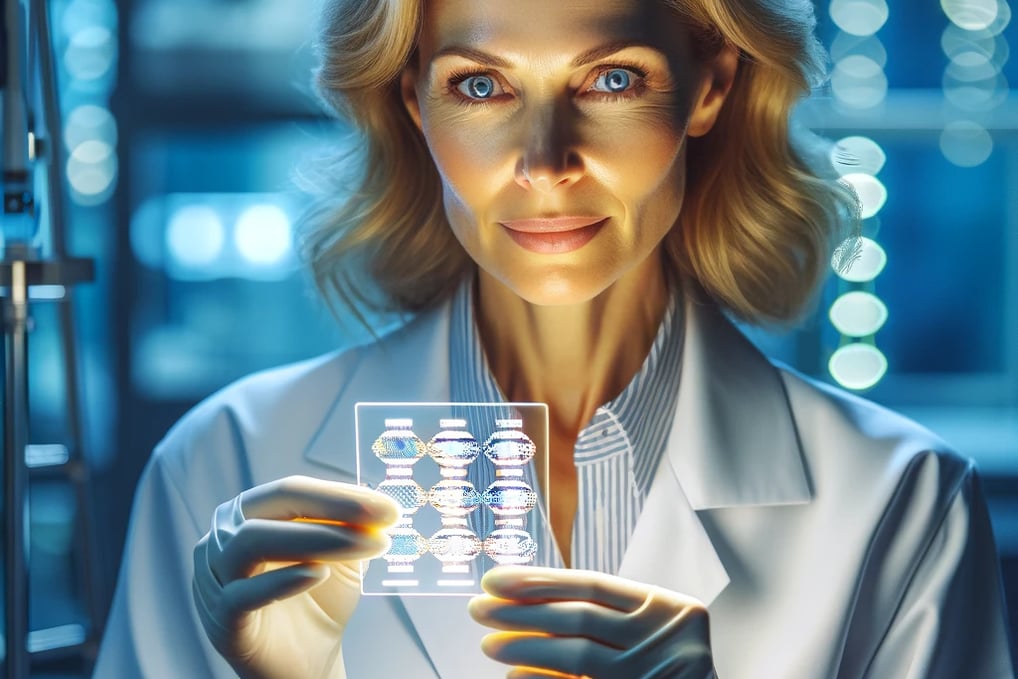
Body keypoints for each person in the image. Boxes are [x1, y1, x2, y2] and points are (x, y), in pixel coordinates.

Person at [94, 0, 1015, 677]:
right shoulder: (221, 466)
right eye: (482, 86)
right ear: (415, 103)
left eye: (611, 79)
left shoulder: (901, 502)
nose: (544, 162)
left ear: (710, 86)